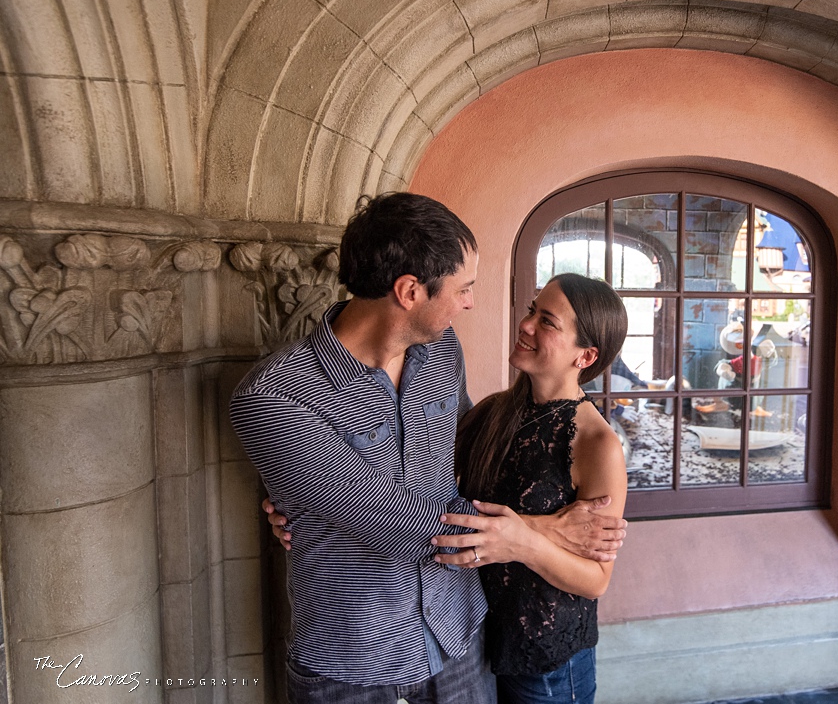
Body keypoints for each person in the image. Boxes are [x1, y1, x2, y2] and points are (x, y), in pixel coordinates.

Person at [233, 193, 626, 704]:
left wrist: (299, 503)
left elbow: (464, 458)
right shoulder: (273, 395)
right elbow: (394, 518)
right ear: (409, 291)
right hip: (354, 660)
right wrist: (539, 529)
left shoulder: (442, 351)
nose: (470, 303)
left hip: (460, 638)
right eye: (463, 289)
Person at [431, 273, 629, 704]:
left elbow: (595, 581)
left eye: (547, 321)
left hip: (548, 663)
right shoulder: (492, 413)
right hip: (476, 641)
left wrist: (522, 542)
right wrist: (298, 506)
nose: (526, 325)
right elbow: (420, 480)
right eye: (531, 311)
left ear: (586, 355)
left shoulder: (597, 444)